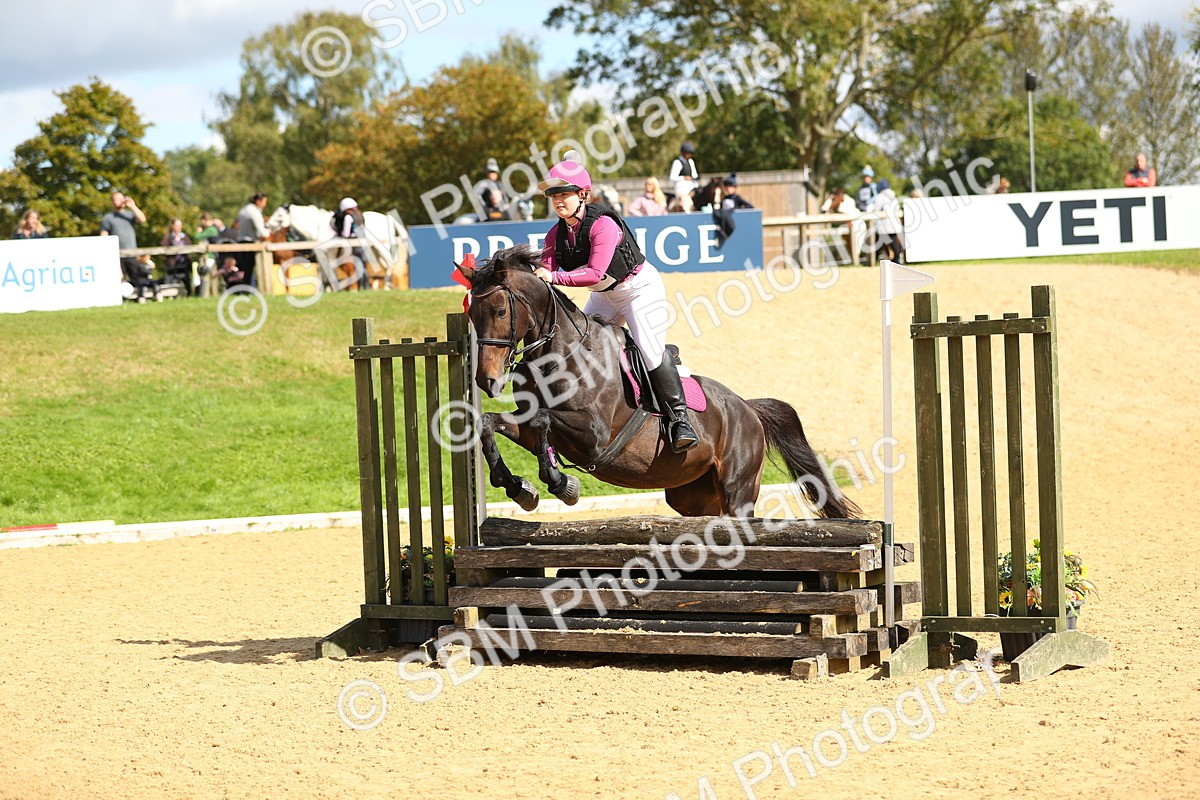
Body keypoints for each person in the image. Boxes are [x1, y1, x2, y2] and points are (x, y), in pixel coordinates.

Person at [533, 153, 698, 452]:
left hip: (638, 290)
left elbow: (594, 271)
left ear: (583, 194)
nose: (557, 200)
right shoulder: (554, 234)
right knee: (576, 348)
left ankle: (679, 420)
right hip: (604, 296)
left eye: (564, 193)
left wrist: (553, 276)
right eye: (553, 195)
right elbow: (543, 275)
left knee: (649, 350)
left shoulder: (603, 224)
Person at [100, 192, 154, 300]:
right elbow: (103, 236)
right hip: (117, 253)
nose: (120, 200)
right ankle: (120, 299)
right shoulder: (108, 218)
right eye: (117, 199)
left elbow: (142, 219)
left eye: (122, 198)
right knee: (119, 278)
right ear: (112, 202)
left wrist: (133, 206)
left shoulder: (129, 214)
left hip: (131, 252)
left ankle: (140, 297)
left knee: (136, 276)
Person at [332, 197, 371, 289]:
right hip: (364, 242)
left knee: (356, 266)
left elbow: (346, 234)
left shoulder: (348, 217)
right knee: (364, 265)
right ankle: (366, 286)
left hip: (354, 244)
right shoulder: (360, 215)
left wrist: (339, 234)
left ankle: (360, 286)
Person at [233, 192, 269, 287]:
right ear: (258, 201)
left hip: (241, 241)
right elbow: (262, 232)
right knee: (250, 269)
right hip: (251, 242)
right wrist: (270, 231)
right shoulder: (254, 211)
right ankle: (250, 289)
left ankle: (245, 289)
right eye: (264, 202)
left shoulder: (244, 209)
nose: (265, 205)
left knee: (245, 269)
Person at [869, 178, 904, 264]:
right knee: (893, 241)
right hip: (894, 224)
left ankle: (875, 259)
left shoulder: (880, 197)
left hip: (884, 225)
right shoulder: (893, 196)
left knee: (879, 242)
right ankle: (896, 259)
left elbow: (876, 210)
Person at [712, 174, 754, 247]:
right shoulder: (724, 198)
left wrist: (738, 210)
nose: (728, 189)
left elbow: (749, 206)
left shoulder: (736, 198)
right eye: (727, 187)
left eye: (730, 187)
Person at [161, 219, 194, 296]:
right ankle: (169, 295)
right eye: (176, 225)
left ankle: (190, 294)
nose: (178, 227)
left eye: (179, 225)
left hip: (184, 262)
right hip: (172, 264)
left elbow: (190, 245)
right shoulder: (168, 237)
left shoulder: (184, 236)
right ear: (172, 226)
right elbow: (163, 246)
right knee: (171, 279)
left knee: (187, 280)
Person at [668, 142, 699, 212]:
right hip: (682, 190)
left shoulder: (691, 162)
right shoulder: (677, 162)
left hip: (692, 188)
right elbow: (672, 177)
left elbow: (695, 175)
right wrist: (683, 177)